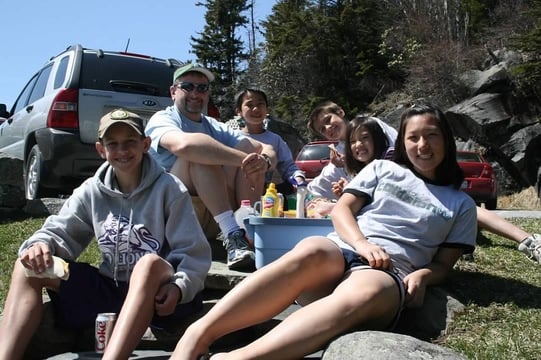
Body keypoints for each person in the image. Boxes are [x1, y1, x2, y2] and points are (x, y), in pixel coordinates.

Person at [170, 103, 478, 360]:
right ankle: (197, 334)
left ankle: (237, 358)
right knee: (313, 247)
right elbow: (343, 210)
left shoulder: (461, 203)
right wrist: (361, 243)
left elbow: (443, 265)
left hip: (388, 271)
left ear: (447, 141)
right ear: (403, 142)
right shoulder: (382, 169)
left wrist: (424, 275)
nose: (422, 146)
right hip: (342, 251)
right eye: (413, 138)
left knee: (366, 291)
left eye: (431, 136)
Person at [0, 109, 212, 359]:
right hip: (110, 289)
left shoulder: (169, 189)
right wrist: (41, 244)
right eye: (113, 144)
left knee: (148, 264)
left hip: (161, 295)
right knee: (27, 266)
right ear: (101, 150)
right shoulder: (92, 190)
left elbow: (192, 253)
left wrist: (179, 286)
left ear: (145, 144)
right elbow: (61, 231)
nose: (122, 151)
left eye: (130, 142)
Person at [308, 100, 541, 264]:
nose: (328, 127)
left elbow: (401, 150)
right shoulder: (341, 153)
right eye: (322, 128)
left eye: (329, 119)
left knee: (464, 208)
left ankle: (527, 240)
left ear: (340, 111)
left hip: (418, 185)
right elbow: (318, 187)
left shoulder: (373, 127)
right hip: (394, 218)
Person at [145, 63, 276, 270]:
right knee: (198, 153)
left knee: (251, 156)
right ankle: (233, 235)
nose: (195, 94)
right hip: (174, 218)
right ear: (173, 92)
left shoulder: (213, 125)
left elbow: (265, 147)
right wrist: (243, 160)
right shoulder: (162, 118)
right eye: (187, 86)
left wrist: (263, 161)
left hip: (209, 219)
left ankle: (244, 231)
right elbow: (184, 145)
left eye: (202, 88)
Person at [233, 88, 305, 193]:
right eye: (250, 105)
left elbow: (288, 166)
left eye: (260, 104)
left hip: (268, 196)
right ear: (239, 111)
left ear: (267, 109)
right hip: (238, 194)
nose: (256, 109)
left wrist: (298, 178)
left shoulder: (275, 139)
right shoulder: (232, 137)